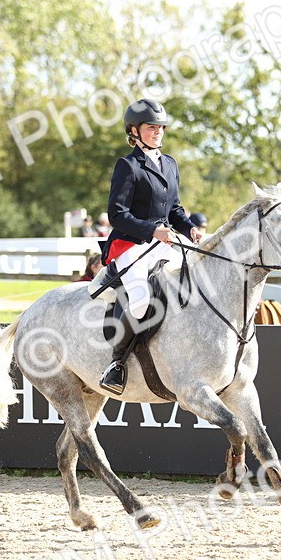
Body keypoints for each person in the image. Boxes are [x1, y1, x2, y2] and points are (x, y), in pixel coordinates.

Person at [88, 98, 202, 394]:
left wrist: (190, 229)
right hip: (132, 245)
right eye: (151, 127)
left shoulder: (170, 163)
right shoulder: (127, 166)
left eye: (161, 127)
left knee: (197, 282)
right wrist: (152, 230)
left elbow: (174, 209)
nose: (158, 131)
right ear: (134, 131)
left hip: (165, 242)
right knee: (140, 302)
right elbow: (117, 215)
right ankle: (116, 364)